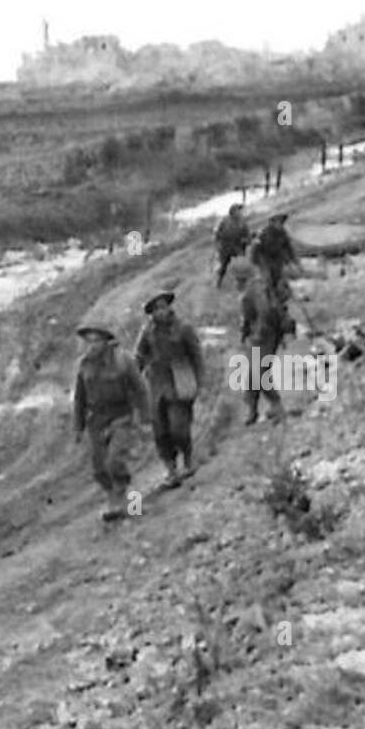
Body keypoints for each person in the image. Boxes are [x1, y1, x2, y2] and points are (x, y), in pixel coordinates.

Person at [72, 325, 151, 522]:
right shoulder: (84, 365)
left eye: (96, 341)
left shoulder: (123, 361)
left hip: (121, 415)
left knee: (114, 460)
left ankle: (124, 498)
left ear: (106, 342)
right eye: (88, 341)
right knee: (99, 468)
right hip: (96, 420)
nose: (91, 346)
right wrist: (78, 427)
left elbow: (141, 389)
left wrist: (145, 418)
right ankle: (113, 496)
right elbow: (79, 398)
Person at [134, 290, 205, 487]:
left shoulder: (183, 328)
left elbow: (197, 356)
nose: (162, 311)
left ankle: (189, 459)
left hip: (179, 381)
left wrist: (200, 382)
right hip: (156, 386)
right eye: (156, 309)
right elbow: (139, 356)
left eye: (164, 306)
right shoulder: (147, 332)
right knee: (161, 432)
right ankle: (171, 470)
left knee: (178, 428)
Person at [231, 260, 285, 426]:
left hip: (263, 335)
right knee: (252, 374)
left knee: (259, 372)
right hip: (267, 333)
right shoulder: (259, 285)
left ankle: (276, 405)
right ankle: (252, 410)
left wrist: (255, 333)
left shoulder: (251, 291)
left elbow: (261, 313)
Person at [248, 212, 300, 296]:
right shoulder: (263, 234)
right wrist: (256, 263)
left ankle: (279, 299)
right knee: (267, 281)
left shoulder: (283, 233)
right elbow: (256, 250)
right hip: (265, 260)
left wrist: (295, 261)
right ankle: (267, 298)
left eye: (281, 222)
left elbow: (289, 248)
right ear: (272, 222)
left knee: (280, 281)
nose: (280, 224)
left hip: (277, 261)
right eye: (278, 222)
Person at [213, 203, 251, 288]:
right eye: (238, 210)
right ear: (233, 212)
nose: (241, 212)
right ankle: (219, 281)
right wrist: (218, 245)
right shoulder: (224, 221)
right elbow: (217, 234)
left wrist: (245, 240)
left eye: (240, 210)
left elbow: (248, 237)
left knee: (241, 266)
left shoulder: (243, 223)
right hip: (225, 248)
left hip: (238, 248)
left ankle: (241, 284)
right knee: (223, 266)